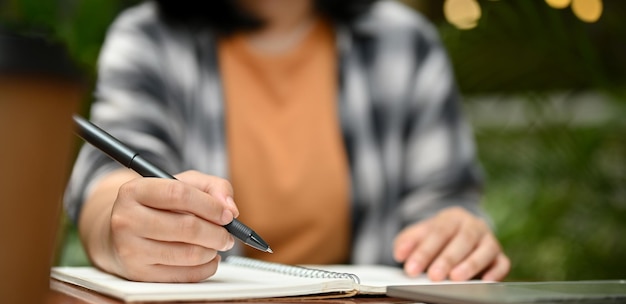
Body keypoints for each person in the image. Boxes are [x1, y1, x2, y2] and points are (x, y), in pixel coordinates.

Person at [64, 0, 510, 283]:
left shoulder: (406, 43)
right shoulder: (148, 38)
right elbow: (110, 183)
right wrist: (115, 229)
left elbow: (444, 200)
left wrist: (454, 233)